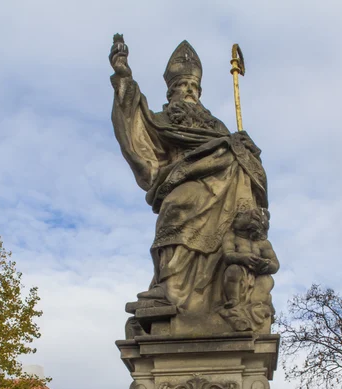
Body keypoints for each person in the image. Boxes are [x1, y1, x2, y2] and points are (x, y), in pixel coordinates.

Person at [109, 35, 268, 315]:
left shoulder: (215, 126)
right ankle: (168, 289)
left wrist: (243, 149)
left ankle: (202, 296)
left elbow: (237, 156)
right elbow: (136, 125)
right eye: (182, 85)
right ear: (171, 92)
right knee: (174, 207)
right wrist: (124, 76)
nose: (189, 90)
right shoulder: (164, 121)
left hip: (222, 186)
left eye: (193, 86)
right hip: (178, 179)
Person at [220, 208, 279, 331]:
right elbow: (228, 255)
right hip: (239, 270)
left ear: (251, 224)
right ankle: (234, 300)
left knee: (267, 280)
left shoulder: (263, 244)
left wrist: (265, 264)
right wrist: (243, 258)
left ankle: (257, 306)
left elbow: (275, 265)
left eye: (244, 215)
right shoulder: (231, 236)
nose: (238, 216)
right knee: (233, 271)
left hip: (257, 274)